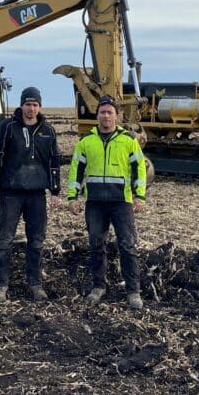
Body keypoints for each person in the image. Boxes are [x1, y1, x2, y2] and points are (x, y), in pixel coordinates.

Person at [67, 95, 147, 310]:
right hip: (95, 202)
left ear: (116, 115)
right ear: (98, 115)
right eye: (102, 112)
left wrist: (139, 196)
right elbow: (76, 171)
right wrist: (73, 197)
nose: (106, 115)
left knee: (128, 246)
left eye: (110, 112)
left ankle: (133, 291)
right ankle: (98, 287)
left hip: (121, 202)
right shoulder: (86, 142)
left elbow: (139, 169)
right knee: (96, 245)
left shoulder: (128, 141)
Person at [0, 86, 61, 303]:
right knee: (4, 241)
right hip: (11, 194)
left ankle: (35, 284)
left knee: (37, 241)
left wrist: (55, 191)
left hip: (37, 195)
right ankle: (1, 285)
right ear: (21, 105)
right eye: (27, 104)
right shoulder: (7, 128)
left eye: (35, 105)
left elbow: (54, 162)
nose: (31, 109)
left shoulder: (48, 131)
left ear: (40, 106)